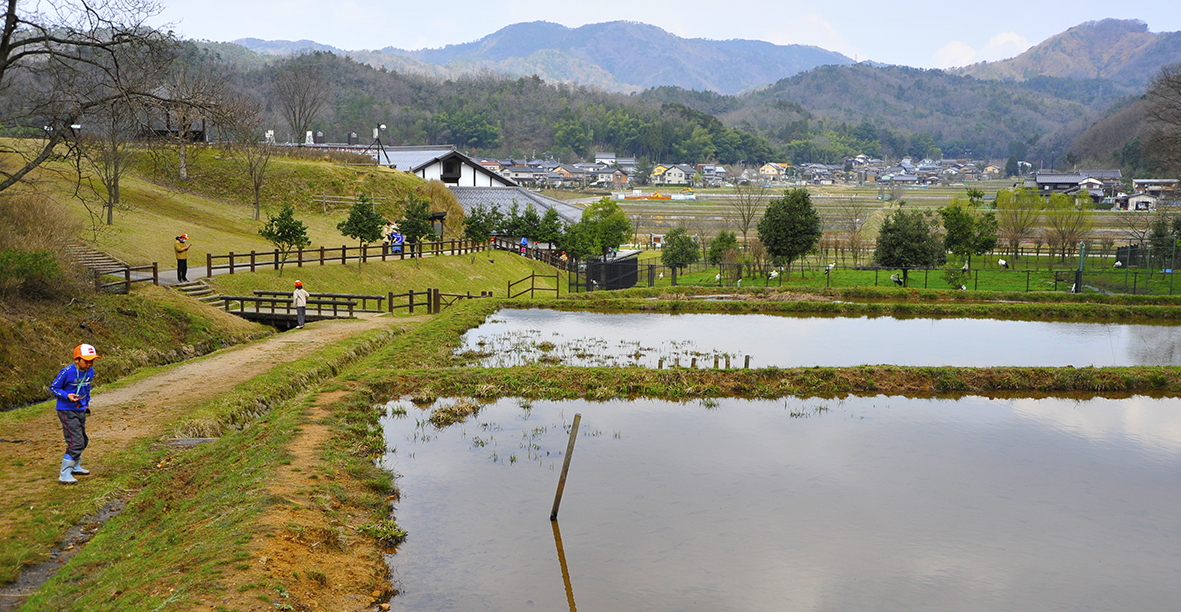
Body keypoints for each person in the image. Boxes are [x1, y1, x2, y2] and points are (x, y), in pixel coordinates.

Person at [49, 344, 100, 484]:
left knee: (83, 440)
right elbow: (54, 387)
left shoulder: (90, 371)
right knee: (75, 442)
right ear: (77, 359)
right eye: (86, 360)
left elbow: (87, 388)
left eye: (92, 360)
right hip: (66, 410)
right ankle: (64, 473)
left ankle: (76, 465)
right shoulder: (67, 372)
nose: (89, 364)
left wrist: (87, 403)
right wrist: (67, 396)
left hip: (81, 409)